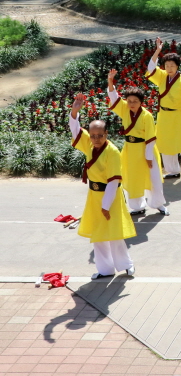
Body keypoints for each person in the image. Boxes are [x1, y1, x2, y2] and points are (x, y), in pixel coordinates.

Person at [68, 93, 137, 280]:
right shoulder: (89, 145)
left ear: (106, 134)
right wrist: (75, 112)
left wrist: (106, 206)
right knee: (98, 235)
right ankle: (105, 269)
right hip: (93, 195)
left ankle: (126, 265)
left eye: (100, 135)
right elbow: (76, 131)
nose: (96, 138)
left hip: (110, 197)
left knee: (114, 235)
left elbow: (114, 182)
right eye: (93, 135)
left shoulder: (112, 152)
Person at [106, 69, 168, 217]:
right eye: (129, 101)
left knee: (153, 178)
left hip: (146, 149)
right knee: (132, 178)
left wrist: (148, 157)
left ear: (141, 102)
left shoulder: (147, 116)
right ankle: (138, 206)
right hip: (130, 150)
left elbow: (150, 138)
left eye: (135, 101)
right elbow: (114, 97)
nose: (132, 104)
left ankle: (159, 204)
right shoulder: (124, 109)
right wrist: (110, 81)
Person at [146, 38, 181, 180]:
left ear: (177, 66)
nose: (169, 68)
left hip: (179, 116)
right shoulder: (162, 76)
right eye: (167, 65)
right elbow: (151, 68)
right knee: (164, 142)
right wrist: (158, 50)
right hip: (164, 115)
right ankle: (173, 170)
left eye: (172, 65)